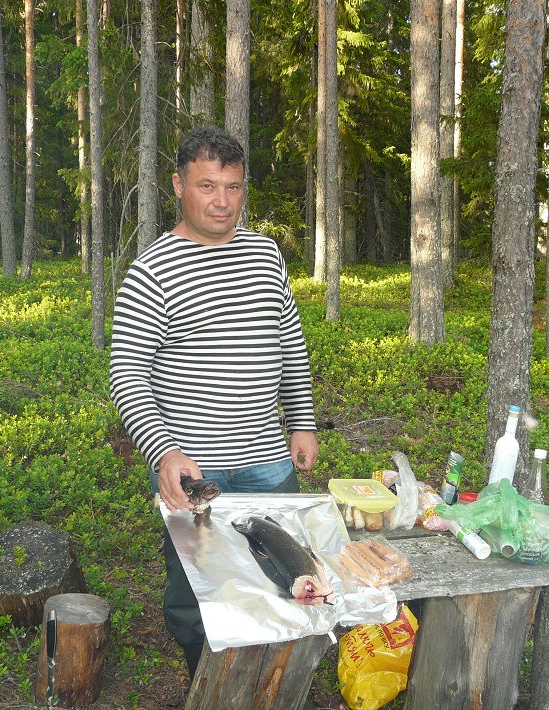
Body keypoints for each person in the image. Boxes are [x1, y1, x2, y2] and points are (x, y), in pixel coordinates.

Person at [109, 126, 319, 679]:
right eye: (207, 186)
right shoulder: (151, 272)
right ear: (179, 185)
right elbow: (126, 375)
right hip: (196, 471)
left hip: (269, 460)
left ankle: (270, 682)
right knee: (195, 596)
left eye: (233, 186)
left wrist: (301, 421)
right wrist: (164, 452)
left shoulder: (265, 254)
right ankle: (208, 686)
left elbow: (290, 343)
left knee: (289, 578)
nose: (222, 201)